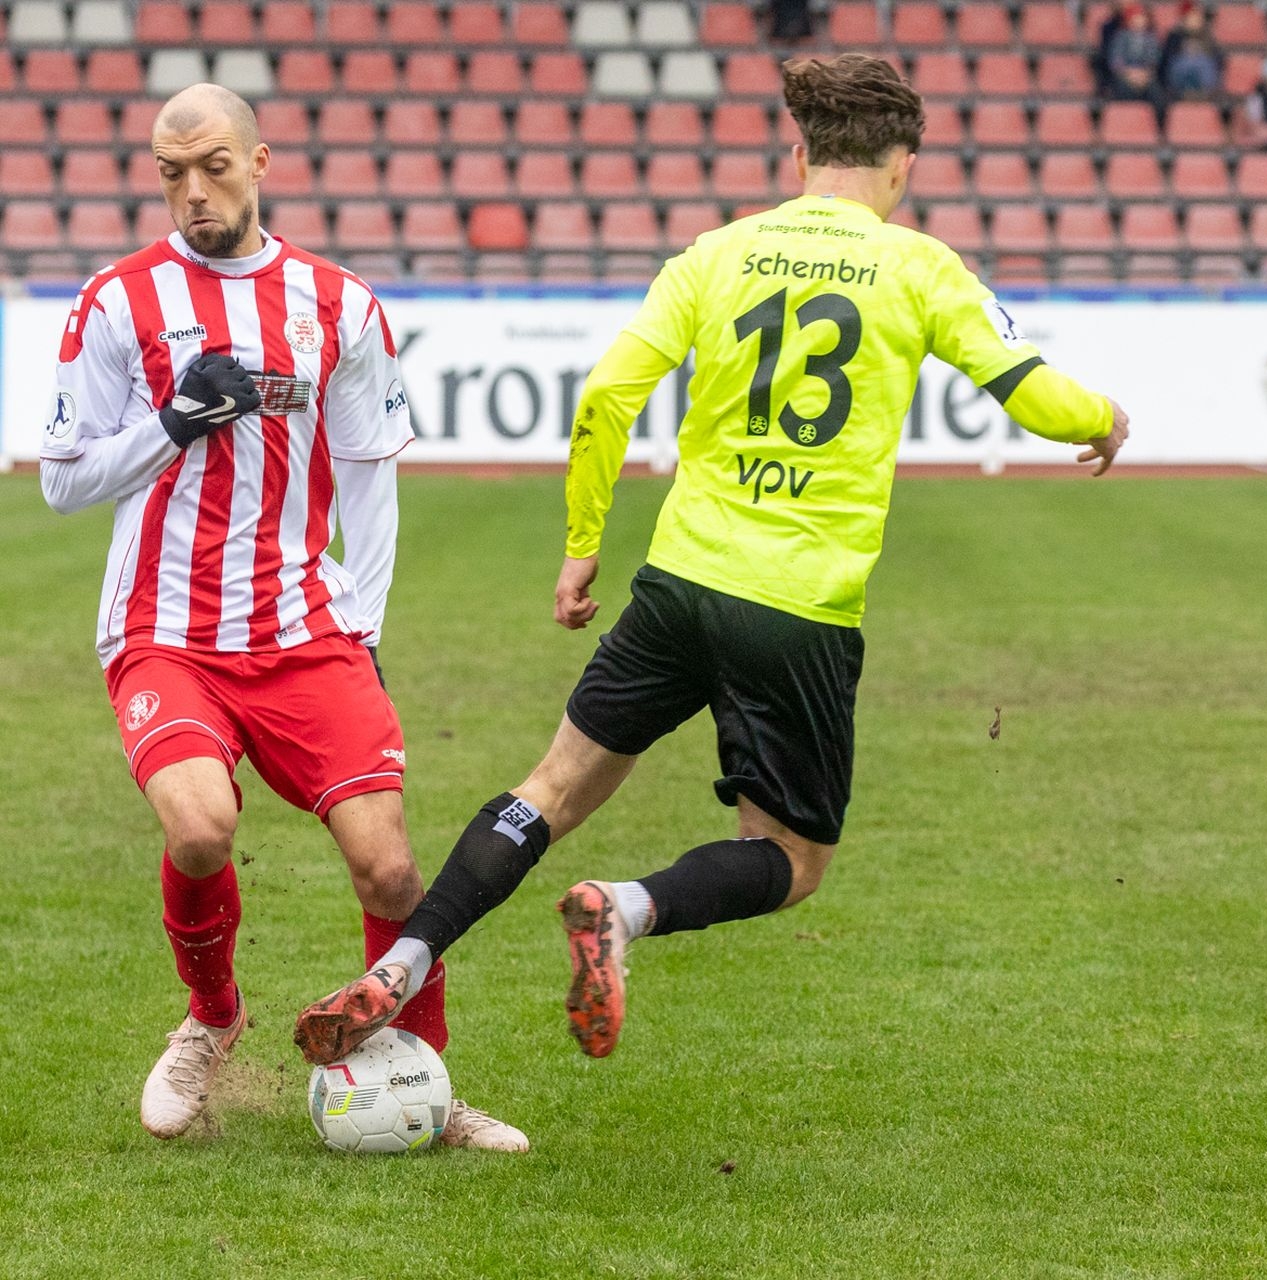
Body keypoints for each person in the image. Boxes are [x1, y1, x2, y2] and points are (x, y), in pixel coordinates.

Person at [291, 53, 1130, 1067]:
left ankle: (404, 960)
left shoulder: (718, 253)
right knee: (791, 857)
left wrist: (583, 544)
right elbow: (1034, 395)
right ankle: (625, 908)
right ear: (903, 163)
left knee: (551, 787)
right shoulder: (920, 267)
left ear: (800, 154)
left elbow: (607, 396)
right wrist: (1104, 416)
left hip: (679, 584)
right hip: (798, 605)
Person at [36, 84, 524, 1151]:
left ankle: (424, 1080)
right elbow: (62, 482)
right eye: (171, 174)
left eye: (213, 167)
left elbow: (369, 472)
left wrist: (368, 628)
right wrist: (173, 421)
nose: (193, 192)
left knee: (390, 868)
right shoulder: (117, 300)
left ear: (260, 162)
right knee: (199, 826)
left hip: (305, 628)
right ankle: (212, 1017)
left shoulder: (337, 303)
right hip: (165, 629)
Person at [1159, 3, 1225, 100]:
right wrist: (1183, 50)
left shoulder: (1207, 36)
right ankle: (1186, 94)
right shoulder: (1174, 36)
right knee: (1184, 63)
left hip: (1203, 78)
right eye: (1190, 17)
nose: (1194, 20)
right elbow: (1167, 59)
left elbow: (1218, 58)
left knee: (1204, 63)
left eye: (1196, 17)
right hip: (1179, 78)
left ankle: (1201, 94)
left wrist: (1199, 52)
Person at [1105, 4, 1164, 104]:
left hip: (1146, 77)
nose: (1139, 21)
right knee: (1122, 90)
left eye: (1141, 18)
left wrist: (1144, 74)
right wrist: (1129, 74)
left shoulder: (1151, 39)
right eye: (1136, 18)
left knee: (1156, 94)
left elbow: (1154, 60)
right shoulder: (1120, 37)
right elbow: (1115, 60)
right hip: (1125, 76)